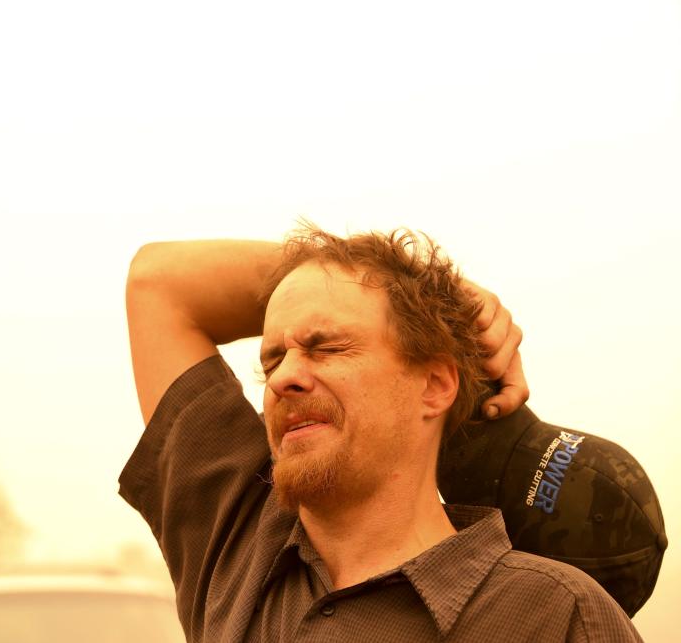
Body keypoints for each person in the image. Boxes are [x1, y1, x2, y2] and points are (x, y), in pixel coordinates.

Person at [119, 227, 642, 642]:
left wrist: (415, 299)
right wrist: (437, 294)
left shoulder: (554, 616)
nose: (282, 377)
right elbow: (157, 282)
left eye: (326, 347)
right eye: (272, 358)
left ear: (435, 384)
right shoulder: (235, 539)